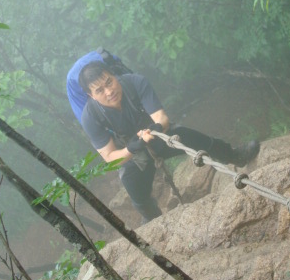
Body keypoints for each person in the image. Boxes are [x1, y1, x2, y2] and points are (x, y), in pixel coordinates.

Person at [77, 61, 260, 223]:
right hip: (132, 155)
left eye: (109, 81)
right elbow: (110, 158)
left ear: (114, 75)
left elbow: (161, 118)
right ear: (91, 95)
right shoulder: (90, 117)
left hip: (159, 136)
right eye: (99, 90)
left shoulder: (135, 82)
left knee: (195, 139)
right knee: (136, 191)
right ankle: (153, 220)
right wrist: (133, 147)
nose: (109, 92)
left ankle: (235, 156)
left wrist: (155, 130)